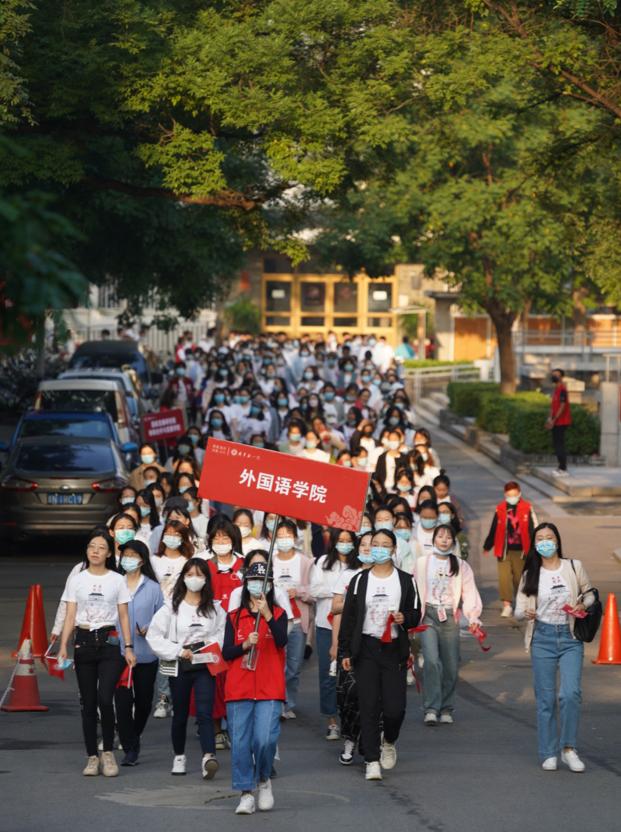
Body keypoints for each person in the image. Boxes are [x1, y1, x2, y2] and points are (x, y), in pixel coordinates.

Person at [339, 529, 421, 781]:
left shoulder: (406, 580)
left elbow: (415, 613)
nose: (380, 549)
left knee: (395, 708)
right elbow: (350, 618)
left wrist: (404, 618)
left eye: (386, 545)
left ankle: (390, 740)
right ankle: (371, 760)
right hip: (366, 649)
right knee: (369, 705)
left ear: (394, 550)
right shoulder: (360, 581)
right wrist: (344, 650)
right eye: (375, 544)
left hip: (393, 650)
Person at [56, 528, 136, 777]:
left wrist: (129, 647)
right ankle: (92, 756)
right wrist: (62, 646)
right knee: (88, 703)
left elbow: (124, 615)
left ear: (109, 553)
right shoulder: (76, 579)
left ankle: (108, 753)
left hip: (110, 643)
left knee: (105, 698)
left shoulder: (117, 579)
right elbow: (70, 614)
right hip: (83, 642)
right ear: (87, 550)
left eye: (101, 548)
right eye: (92, 546)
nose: (95, 551)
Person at [514, 523, 594, 772]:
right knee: (546, 698)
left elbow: (590, 593)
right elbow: (518, 610)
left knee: (570, 694)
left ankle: (569, 748)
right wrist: (525, 613)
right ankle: (548, 752)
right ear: (535, 544)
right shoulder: (530, 574)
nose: (545, 542)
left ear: (557, 541)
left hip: (570, 637)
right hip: (543, 637)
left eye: (550, 538)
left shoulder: (574, 566)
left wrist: (584, 605)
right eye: (540, 539)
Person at [146, 558, 226, 778]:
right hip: (180, 665)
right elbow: (154, 635)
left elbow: (221, 633)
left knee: (204, 712)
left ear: (206, 579)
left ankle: (208, 756)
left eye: (200, 575)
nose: (194, 579)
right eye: (190, 574)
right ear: (183, 578)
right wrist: (178, 651)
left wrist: (209, 649)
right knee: (180, 713)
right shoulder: (171, 607)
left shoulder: (215, 607)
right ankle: (179, 756)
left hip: (205, 665)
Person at [223, 561, 288, 815]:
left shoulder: (280, 614)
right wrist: (244, 646)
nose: (256, 584)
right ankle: (245, 792)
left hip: (269, 687)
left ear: (270, 584)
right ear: (245, 583)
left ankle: (263, 778)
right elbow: (227, 652)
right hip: (239, 686)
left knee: (265, 739)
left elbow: (282, 641)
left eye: (262, 580)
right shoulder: (234, 616)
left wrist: (269, 615)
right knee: (239, 742)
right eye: (252, 579)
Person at [414, 524, 482, 725]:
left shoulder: (461, 565)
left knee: (451, 664)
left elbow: (470, 593)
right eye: (440, 536)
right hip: (428, 615)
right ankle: (431, 708)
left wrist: (473, 617)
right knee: (432, 660)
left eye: (448, 537)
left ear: (453, 541)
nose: (444, 540)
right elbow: (412, 589)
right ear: (434, 539)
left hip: (450, 616)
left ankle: (446, 707)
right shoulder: (421, 563)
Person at [114, 540, 164, 766]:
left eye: (133, 555)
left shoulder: (153, 588)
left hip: (146, 654)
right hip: (118, 654)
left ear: (142, 560)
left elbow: (162, 618)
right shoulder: (114, 583)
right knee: (123, 702)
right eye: (125, 555)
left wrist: (149, 629)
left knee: (143, 702)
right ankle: (131, 747)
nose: (128, 559)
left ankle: (133, 735)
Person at [310, 528, 357, 741]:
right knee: (328, 674)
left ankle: (351, 716)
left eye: (349, 540)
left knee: (350, 673)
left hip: (352, 627)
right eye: (341, 540)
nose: (344, 543)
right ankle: (331, 720)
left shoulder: (357, 566)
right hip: (325, 625)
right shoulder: (322, 563)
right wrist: (339, 593)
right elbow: (314, 590)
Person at [272, 519, 314, 718]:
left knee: (294, 666)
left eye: (287, 536)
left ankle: (288, 701)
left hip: (298, 620)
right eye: (279, 536)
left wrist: (298, 591)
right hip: (275, 620)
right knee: (276, 664)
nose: (283, 540)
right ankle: (277, 702)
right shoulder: (270, 560)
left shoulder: (305, 562)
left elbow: (315, 591)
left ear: (295, 538)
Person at [483, 482, 537, 618]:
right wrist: (487, 545)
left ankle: (521, 604)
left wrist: (535, 547)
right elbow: (494, 527)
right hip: (504, 549)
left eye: (514, 494)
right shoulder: (500, 508)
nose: (512, 497)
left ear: (519, 493)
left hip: (522, 550)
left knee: (519, 578)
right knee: (504, 578)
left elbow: (534, 528)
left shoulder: (527, 507)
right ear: (505, 495)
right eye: (509, 495)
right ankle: (507, 605)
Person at [547, 368, 572, 477]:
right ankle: (560, 467)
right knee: (556, 445)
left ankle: (563, 469)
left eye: (556, 375)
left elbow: (562, 406)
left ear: (561, 377)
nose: (554, 377)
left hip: (561, 422)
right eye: (553, 375)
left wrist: (554, 419)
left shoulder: (562, 389)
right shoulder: (556, 390)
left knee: (560, 445)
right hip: (555, 421)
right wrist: (549, 418)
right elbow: (553, 406)